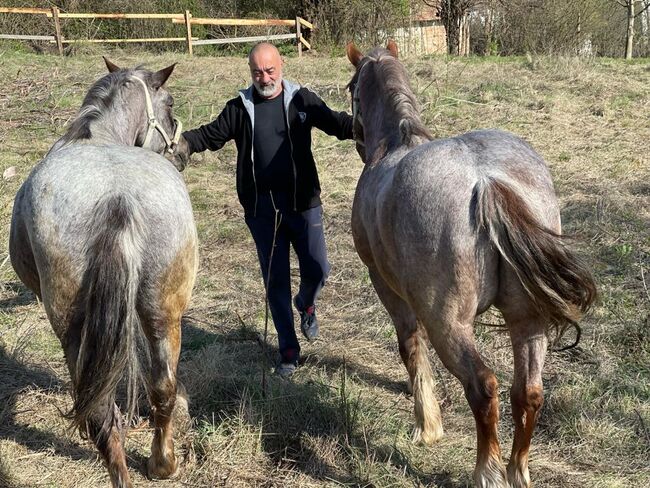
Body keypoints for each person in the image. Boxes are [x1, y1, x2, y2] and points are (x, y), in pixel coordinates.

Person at [174, 43, 353, 377]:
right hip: (263, 212)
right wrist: (181, 144)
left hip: (304, 206)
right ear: (250, 71)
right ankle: (288, 351)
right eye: (257, 72)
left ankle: (307, 303)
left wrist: (366, 128)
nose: (265, 78)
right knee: (276, 283)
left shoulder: (303, 100)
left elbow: (336, 123)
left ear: (281, 65)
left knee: (319, 268)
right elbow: (209, 135)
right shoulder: (240, 108)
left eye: (270, 71)